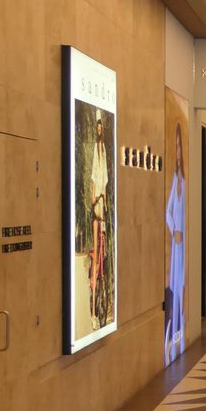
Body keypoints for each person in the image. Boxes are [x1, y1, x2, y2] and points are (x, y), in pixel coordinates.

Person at [164, 124, 187, 363]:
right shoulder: (175, 179)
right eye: (177, 147)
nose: (179, 152)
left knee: (182, 284)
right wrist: (175, 231)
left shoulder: (187, 181)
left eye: (181, 147)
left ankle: (180, 327)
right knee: (175, 286)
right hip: (178, 243)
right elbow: (168, 212)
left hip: (185, 245)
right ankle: (175, 332)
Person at [89, 114, 111, 330]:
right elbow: (95, 179)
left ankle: (99, 309)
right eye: (96, 127)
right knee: (97, 254)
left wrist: (102, 199)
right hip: (97, 201)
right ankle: (94, 313)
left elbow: (102, 179)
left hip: (100, 201)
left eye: (100, 127)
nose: (98, 130)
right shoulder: (96, 150)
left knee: (101, 253)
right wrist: (96, 198)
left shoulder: (103, 149)